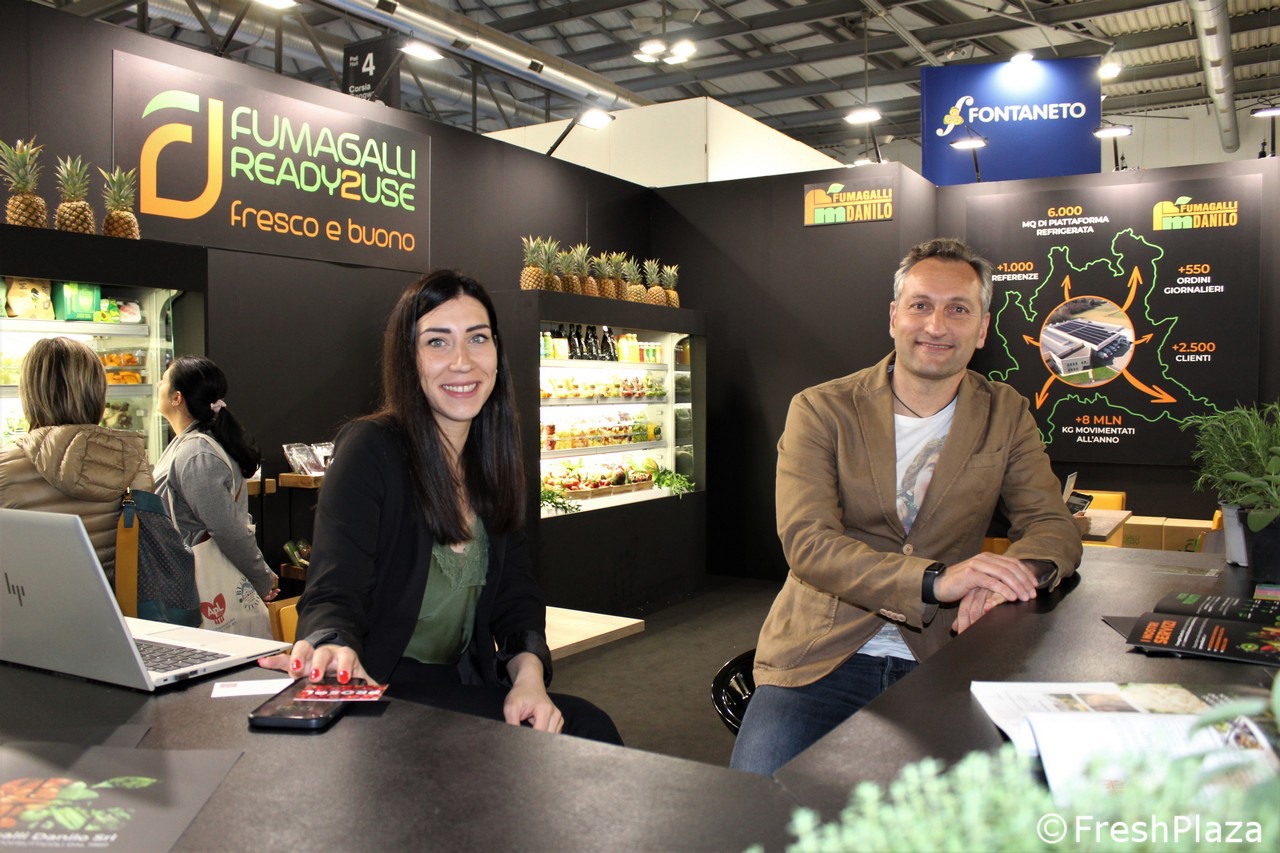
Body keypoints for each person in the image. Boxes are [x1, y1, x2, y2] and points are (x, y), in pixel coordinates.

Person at [730, 238, 1083, 776]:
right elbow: (808, 543)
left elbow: (1050, 524)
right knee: (754, 803)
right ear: (895, 317)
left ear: (982, 329)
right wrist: (935, 580)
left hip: (950, 656)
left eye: (958, 309)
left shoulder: (1005, 412)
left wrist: (1012, 576)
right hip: (820, 657)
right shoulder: (821, 409)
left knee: (1016, 801)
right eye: (921, 305)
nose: (936, 326)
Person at [260, 270, 621, 744]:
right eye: (437, 342)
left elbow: (517, 598)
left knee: (578, 725)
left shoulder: (492, 459)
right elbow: (334, 590)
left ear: (497, 352)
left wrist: (529, 681)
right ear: (408, 358)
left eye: (477, 338)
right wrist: (332, 645)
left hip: (461, 684)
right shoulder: (372, 449)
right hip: (381, 687)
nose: (462, 361)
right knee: (587, 726)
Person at [0, 337, 152, 584]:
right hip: (115, 605)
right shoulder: (133, 462)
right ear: (98, 392)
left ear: (29, 395)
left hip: (30, 604)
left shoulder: (5, 468)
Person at [153, 356, 278, 605]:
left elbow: (226, 528)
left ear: (177, 397)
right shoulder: (192, 445)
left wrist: (261, 578)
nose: (158, 385)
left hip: (198, 586)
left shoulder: (196, 453)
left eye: (164, 380)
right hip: (189, 580)